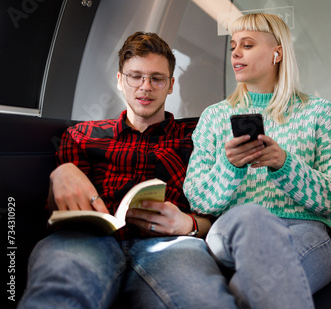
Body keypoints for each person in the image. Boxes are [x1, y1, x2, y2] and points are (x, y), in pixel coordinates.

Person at [18, 32, 237, 309]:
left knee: (200, 300)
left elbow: (220, 210)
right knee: (60, 292)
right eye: (135, 76)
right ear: (120, 80)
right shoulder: (81, 135)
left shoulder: (197, 134)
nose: (145, 87)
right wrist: (60, 173)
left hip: (172, 243)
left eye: (157, 78)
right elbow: (56, 211)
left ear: (170, 85)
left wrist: (190, 225)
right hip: (90, 240)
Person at [183, 13, 331, 309]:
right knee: (251, 218)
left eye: (247, 45)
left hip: (303, 233)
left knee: (250, 292)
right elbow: (198, 199)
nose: (235, 52)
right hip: (233, 232)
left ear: (278, 52)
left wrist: (285, 165)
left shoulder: (319, 113)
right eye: (234, 45)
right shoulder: (213, 117)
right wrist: (231, 166)